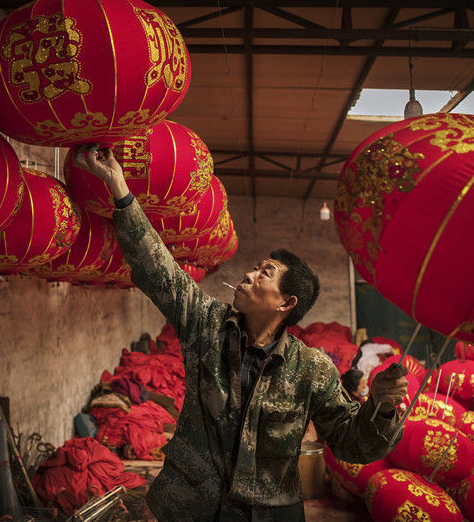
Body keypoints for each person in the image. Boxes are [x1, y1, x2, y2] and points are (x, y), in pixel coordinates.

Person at [72, 145, 409, 522]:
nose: (248, 275)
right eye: (254, 267)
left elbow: (351, 443)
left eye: (264, 272)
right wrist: (120, 188)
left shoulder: (311, 368)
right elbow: (159, 271)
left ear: (286, 303)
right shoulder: (207, 324)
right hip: (188, 506)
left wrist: (382, 408)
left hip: (267, 513)